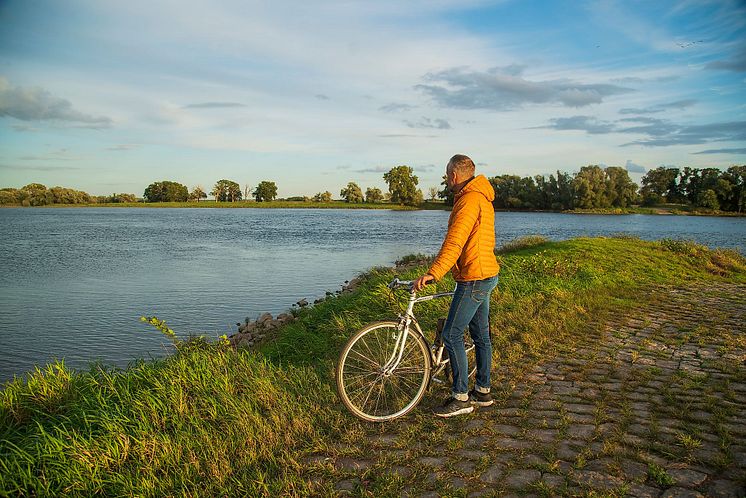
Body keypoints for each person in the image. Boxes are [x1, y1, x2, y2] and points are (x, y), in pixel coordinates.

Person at [414, 154, 500, 418]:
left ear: (453, 175)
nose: (447, 180)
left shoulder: (469, 200)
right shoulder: (481, 197)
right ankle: (483, 391)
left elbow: (455, 243)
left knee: (451, 334)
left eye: (447, 175)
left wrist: (433, 273)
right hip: (485, 273)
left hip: (474, 277)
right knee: (481, 335)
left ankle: (461, 396)